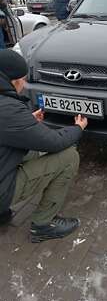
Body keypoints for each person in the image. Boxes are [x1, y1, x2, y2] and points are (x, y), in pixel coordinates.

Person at [0, 50, 88, 242]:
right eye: (23, 80)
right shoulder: (7, 109)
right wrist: (77, 128)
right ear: (12, 80)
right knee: (68, 157)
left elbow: (6, 129)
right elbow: (54, 143)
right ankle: (43, 225)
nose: (23, 85)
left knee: (30, 150)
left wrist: (27, 123)